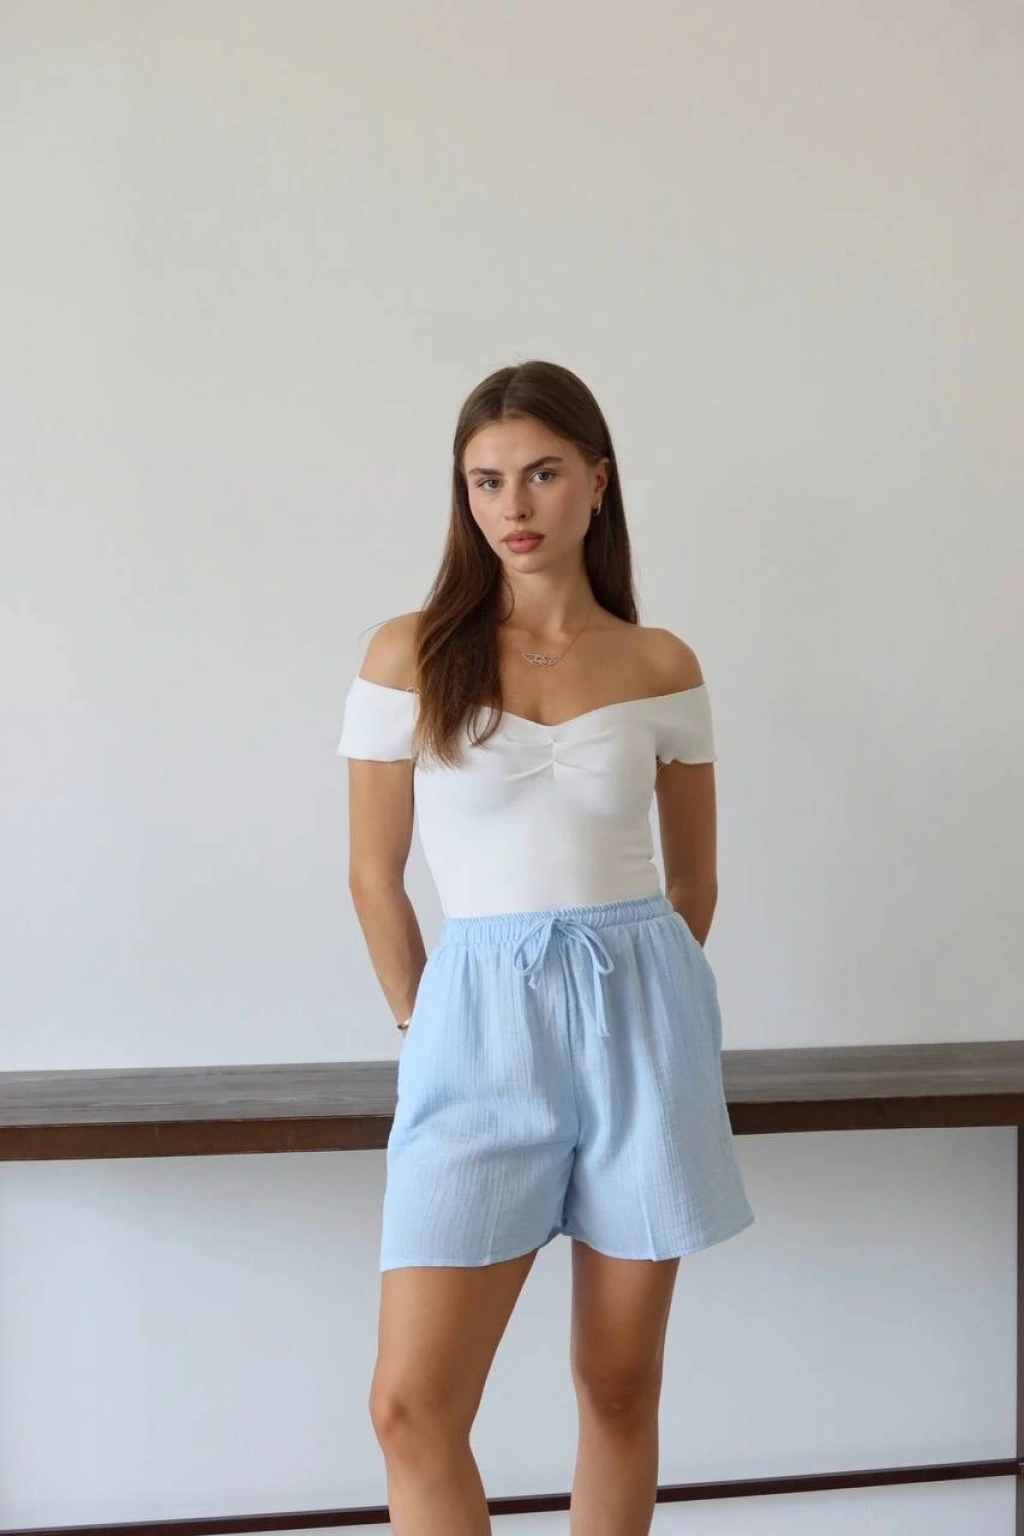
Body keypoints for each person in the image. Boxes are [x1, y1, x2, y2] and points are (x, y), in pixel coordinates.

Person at [337, 359, 753, 1535]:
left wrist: (648, 1005)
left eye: (541, 474)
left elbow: (694, 879)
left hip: (642, 1029)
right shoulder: (408, 654)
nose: (511, 505)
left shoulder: (660, 663)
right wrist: (429, 1026)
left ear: (596, 483)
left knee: (617, 1387)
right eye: (485, 481)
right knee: (412, 1407)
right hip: (475, 1028)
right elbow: (373, 876)